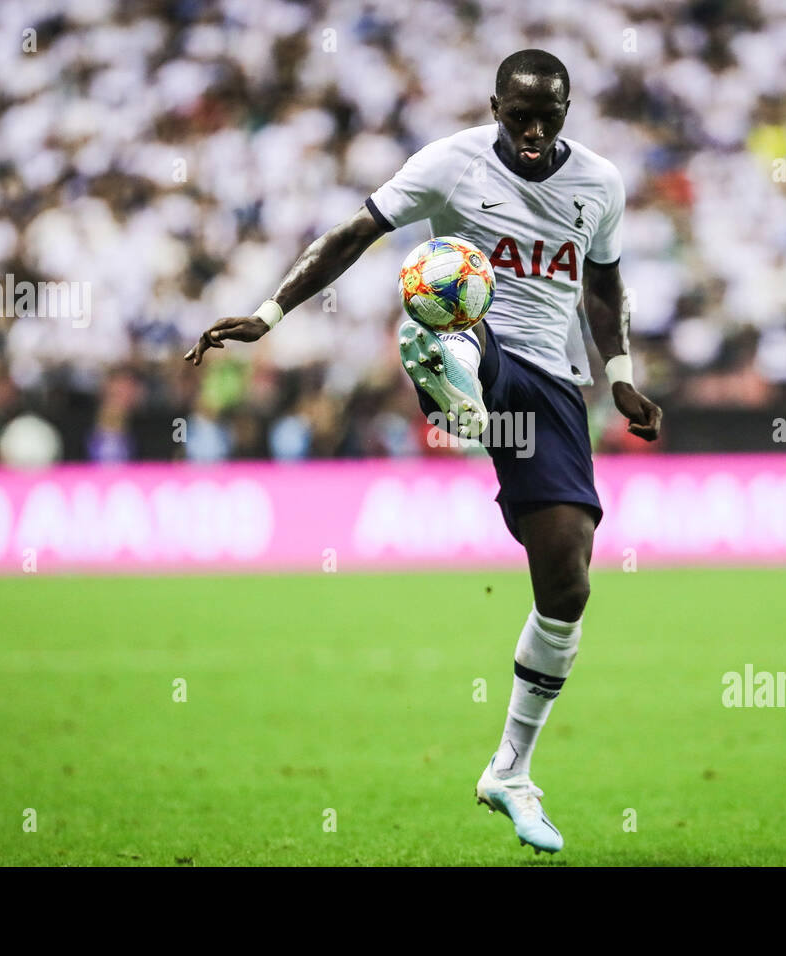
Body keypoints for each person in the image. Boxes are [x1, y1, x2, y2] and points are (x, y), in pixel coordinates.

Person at [186, 49, 662, 854]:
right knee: (443, 279)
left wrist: (619, 376)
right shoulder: (452, 162)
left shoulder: (601, 186)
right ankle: (455, 385)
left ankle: (510, 772)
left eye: (550, 116)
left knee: (569, 581)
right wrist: (268, 313)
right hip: (477, 338)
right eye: (519, 117)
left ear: (570, 107)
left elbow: (603, 285)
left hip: (551, 383)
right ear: (496, 106)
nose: (536, 131)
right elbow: (352, 234)